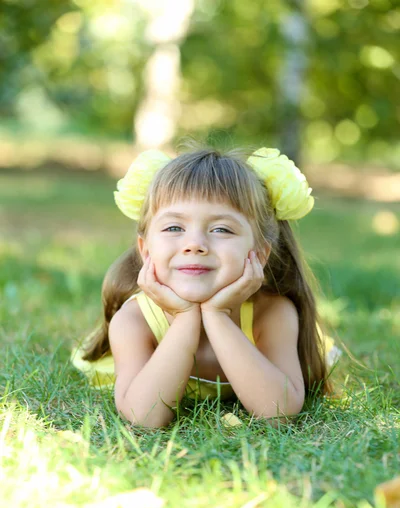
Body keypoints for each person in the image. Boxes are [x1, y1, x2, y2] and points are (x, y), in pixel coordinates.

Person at [71, 143, 338, 428]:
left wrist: (217, 315)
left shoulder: (271, 313)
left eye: (221, 229)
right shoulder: (134, 321)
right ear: (145, 249)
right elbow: (144, 417)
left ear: (259, 253)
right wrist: (186, 318)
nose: (195, 245)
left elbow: (278, 413)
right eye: (174, 228)